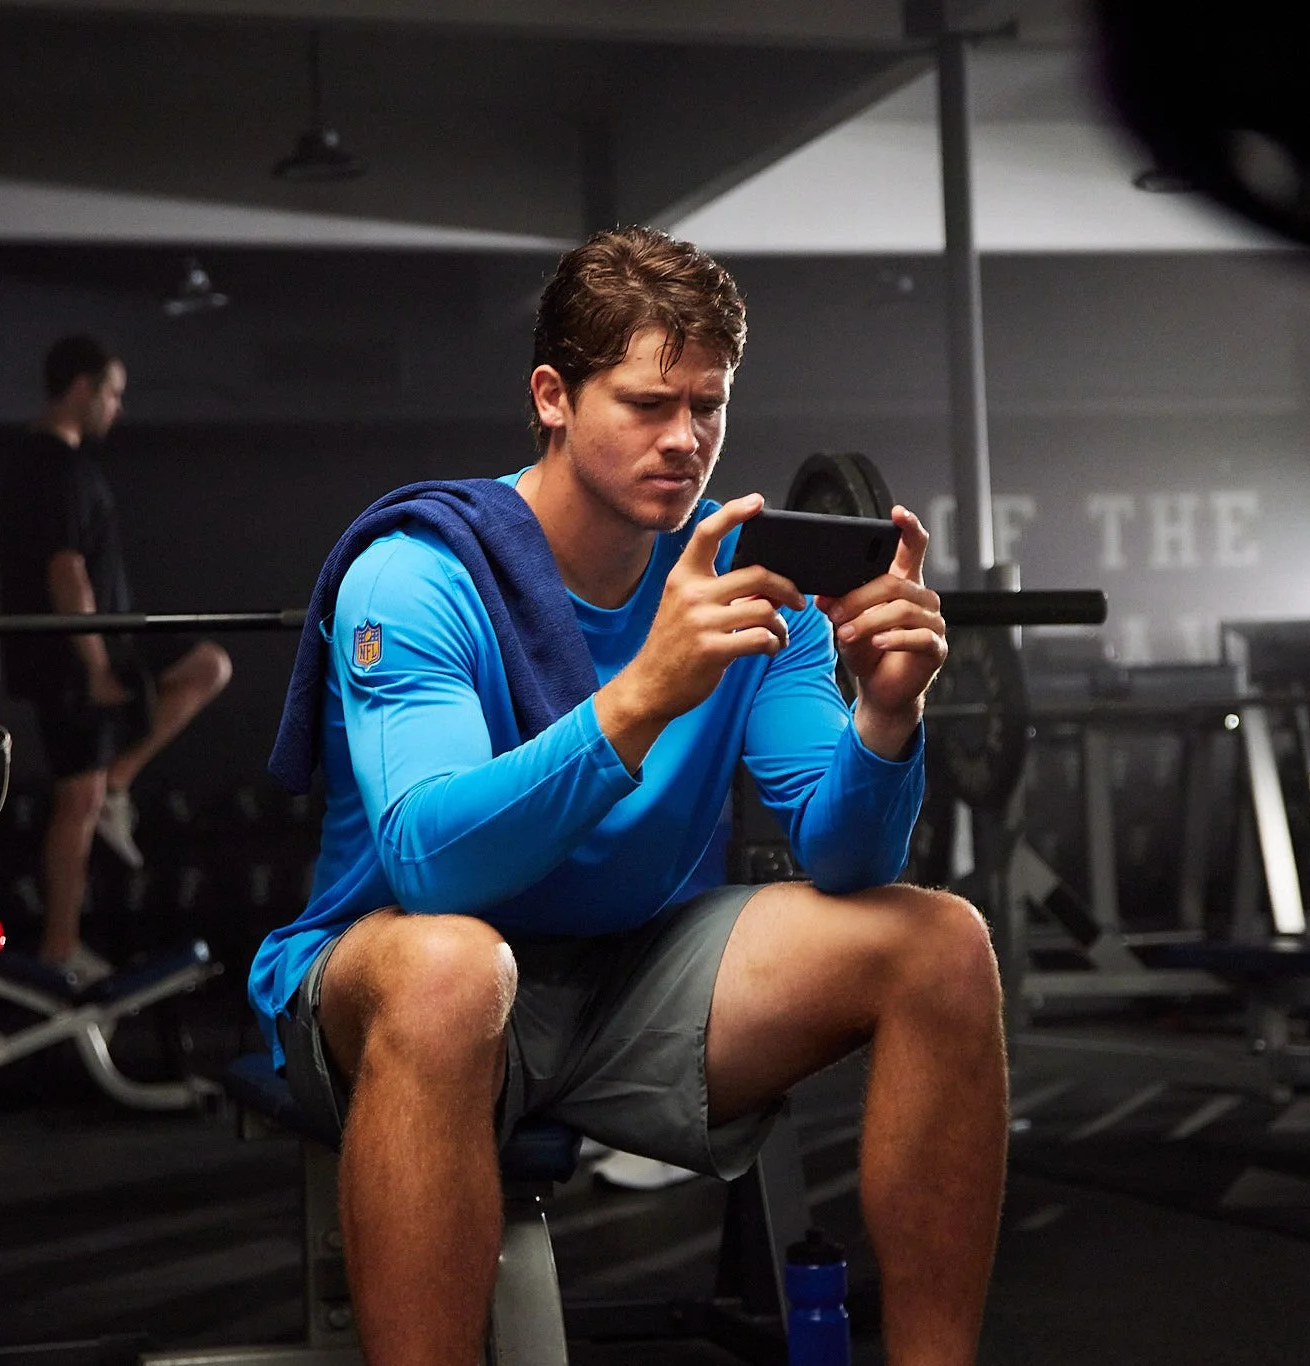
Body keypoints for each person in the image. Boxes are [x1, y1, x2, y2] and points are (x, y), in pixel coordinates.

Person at [255, 227, 1006, 1365]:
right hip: (399, 978)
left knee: (939, 942)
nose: (684, 439)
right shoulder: (419, 573)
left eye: (707, 406)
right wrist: (644, 693)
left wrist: (887, 717)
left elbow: (845, 861)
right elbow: (429, 867)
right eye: (648, 403)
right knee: (456, 966)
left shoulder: (753, 587)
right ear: (552, 397)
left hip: (625, 969)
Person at [0, 334, 232, 985]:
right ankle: (58, 948)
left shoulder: (50, 463)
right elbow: (67, 574)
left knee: (206, 666)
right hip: (73, 660)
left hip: (92, 647)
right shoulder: (54, 467)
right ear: (83, 389)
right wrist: (97, 666)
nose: (117, 409)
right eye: (113, 394)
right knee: (77, 799)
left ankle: (121, 785)